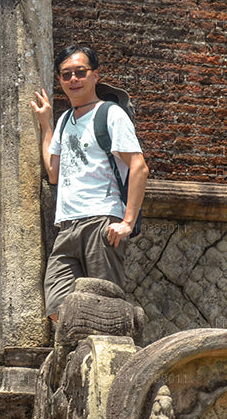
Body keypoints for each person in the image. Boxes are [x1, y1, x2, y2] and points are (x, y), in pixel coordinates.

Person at [31, 45, 148, 323]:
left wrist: (127, 222)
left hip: (102, 221)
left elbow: (139, 167)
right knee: (58, 309)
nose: (73, 80)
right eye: (66, 74)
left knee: (105, 309)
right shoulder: (64, 121)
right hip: (67, 225)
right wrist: (46, 125)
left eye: (80, 72)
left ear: (95, 75)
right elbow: (53, 174)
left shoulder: (110, 114)